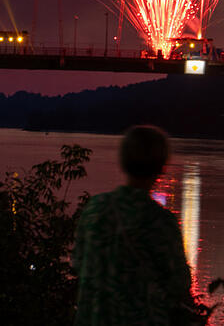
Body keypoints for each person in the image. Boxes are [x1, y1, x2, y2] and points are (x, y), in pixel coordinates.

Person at [72, 125, 195, 326]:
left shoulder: (95, 208)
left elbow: (78, 262)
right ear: (161, 167)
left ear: (123, 162)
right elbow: (179, 284)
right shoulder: (160, 221)